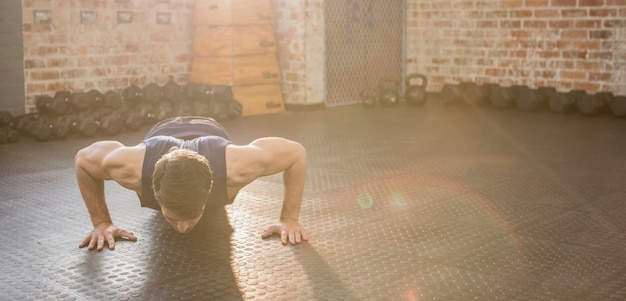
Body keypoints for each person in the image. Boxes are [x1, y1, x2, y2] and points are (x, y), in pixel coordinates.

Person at [75, 116, 308, 251]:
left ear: (210, 187)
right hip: (162, 129)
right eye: (173, 218)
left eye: (193, 215)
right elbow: (83, 160)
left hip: (209, 128)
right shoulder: (132, 169)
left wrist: (289, 219)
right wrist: (102, 222)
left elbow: (296, 154)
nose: (183, 228)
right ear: (154, 190)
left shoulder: (236, 168)